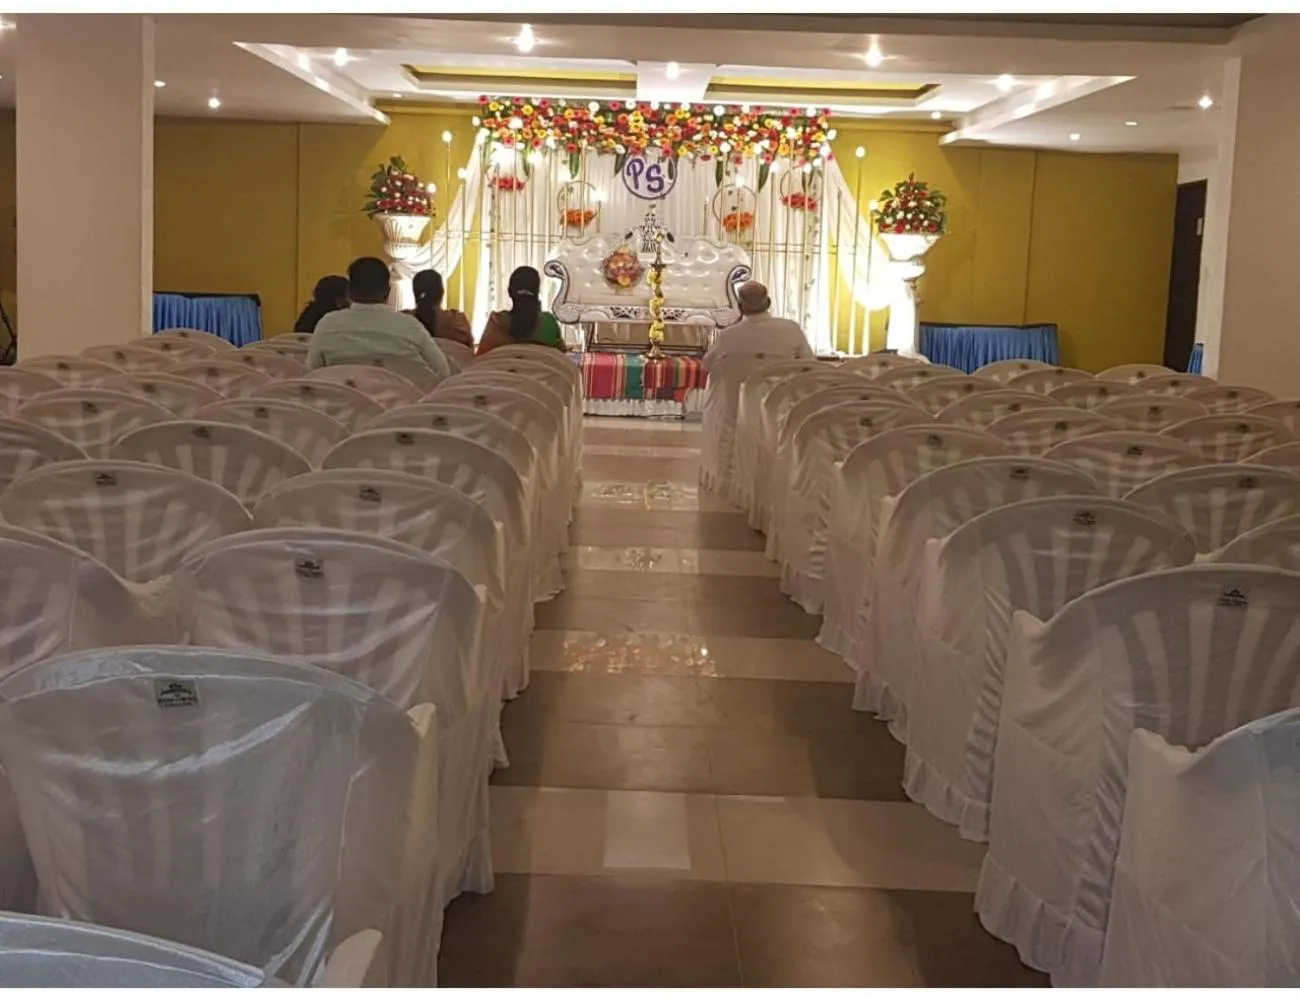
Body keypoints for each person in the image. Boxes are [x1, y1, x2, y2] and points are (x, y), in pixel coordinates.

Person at [698, 281, 814, 500]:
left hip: (735, 410)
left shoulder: (729, 335)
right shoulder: (791, 329)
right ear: (768, 303)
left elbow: (708, 365)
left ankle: (727, 479)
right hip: (780, 409)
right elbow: (809, 365)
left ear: (740, 307)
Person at [306, 257, 450, 379]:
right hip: (403, 402)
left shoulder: (328, 324)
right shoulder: (411, 326)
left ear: (349, 291)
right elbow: (442, 371)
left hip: (340, 403)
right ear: (388, 291)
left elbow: (311, 373)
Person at [477, 266, 565, 356]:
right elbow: (562, 357)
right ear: (537, 293)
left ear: (509, 292)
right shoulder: (549, 322)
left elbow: (481, 358)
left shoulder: (497, 321)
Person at [407, 269, 474, 348]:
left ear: (414, 293)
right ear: (442, 292)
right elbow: (469, 352)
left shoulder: (402, 321)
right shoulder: (457, 322)